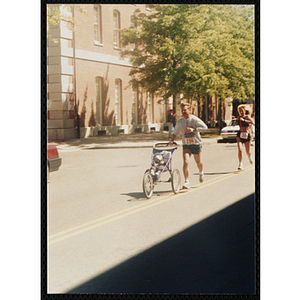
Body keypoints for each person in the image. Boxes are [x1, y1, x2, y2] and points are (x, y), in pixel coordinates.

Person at [169, 103, 208, 189]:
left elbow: (205, 127)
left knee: (198, 162)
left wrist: (193, 129)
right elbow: (175, 131)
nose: (183, 112)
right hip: (186, 144)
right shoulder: (180, 121)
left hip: (196, 143)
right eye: (182, 110)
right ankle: (187, 181)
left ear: (189, 110)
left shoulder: (194, 119)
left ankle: (201, 172)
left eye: (185, 110)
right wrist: (172, 139)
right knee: (186, 162)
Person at [234, 105, 254, 170]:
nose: (241, 112)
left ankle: (249, 157)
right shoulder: (239, 117)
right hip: (240, 134)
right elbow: (235, 122)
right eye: (240, 111)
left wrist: (244, 120)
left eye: (242, 111)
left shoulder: (247, 117)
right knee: (240, 149)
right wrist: (234, 123)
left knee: (247, 151)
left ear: (245, 111)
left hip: (246, 134)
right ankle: (240, 164)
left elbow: (252, 122)